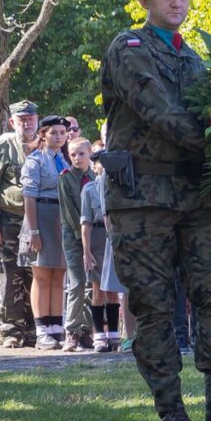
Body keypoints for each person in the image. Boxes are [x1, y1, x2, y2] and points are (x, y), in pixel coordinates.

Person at [101, 0, 211, 421]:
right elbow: (159, 111)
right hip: (143, 199)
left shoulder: (196, 61)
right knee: (155, 303)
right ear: (145, 2)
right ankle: (170, 406)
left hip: (198, 196)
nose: (178, 4)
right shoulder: (129, 49)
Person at [0, 100, 38, 348]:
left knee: (35, 275)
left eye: (30, 118)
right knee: (8, 275)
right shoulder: (4, 145)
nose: (26, 123)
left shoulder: (46, 142)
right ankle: (11, 331)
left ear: (37, 119)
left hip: (37, 221)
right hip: (8, 220)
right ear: (12, 122)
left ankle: (35, 328)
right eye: (21, 119)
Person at [21, 115, 71, 350]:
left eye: (62, 133)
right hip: (41, 214)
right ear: (42, 134)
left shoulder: (64, 158)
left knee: (58, 274)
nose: (59, 137)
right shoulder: (36, 160)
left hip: (60, 219)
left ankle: (56, 327)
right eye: (53, 132)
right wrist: (34, 231)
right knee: (41, 275)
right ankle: (42, 330)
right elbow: (29, 197)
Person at [82, 145, 121, 352]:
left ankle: (114, 335)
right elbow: (85, 223)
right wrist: (86, 251)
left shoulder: (117, 188)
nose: (103, 168)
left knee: (113, 288)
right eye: (100, 164)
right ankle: (98, 334)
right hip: (96, 237)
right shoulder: (89, 190)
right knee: (97, 288)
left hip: (112, 237)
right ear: (94, 166)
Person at [58, 137, 94, 351]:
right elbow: (70, 212)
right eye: (73, 155)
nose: (77, 158)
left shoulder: (94, 177)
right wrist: (82, 237)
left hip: (92, 237)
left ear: (89, 153)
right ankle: (71, 330)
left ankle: (86, 331)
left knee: (91, 284)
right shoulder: (65, 178)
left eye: (81, 153)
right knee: (77, 283)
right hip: (73, 237)